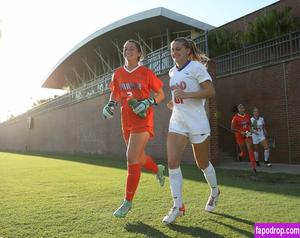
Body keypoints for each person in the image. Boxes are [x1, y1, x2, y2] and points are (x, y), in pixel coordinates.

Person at [102, 39, 165, 218]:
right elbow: (115, 92)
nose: (128, 50)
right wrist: (110, 105)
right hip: (126, 119)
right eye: (125, 48)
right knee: (138, 156)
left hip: (143, 119)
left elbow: (161, 94)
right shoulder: (117, 73)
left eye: (132, 48)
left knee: (131, 157)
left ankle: (127, 202)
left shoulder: (146, 72)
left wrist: (149, 101)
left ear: (139, 53)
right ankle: (156, 168)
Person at [162, 37, 220, 224]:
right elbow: (178, 95)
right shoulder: (172, 72)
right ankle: (178, 206)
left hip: (197, 123)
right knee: (172, 161)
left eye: (178, 49)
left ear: (188, 50)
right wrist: (173, 102)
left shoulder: (196, 67)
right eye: (172, 50)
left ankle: (214, 190)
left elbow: (210, 92)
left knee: (202, 164)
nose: (174, 52)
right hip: (177, 121)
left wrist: (186, 95)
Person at [231, 104, 257, 172]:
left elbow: (250, 125)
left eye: (243, 108)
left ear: (244, 109)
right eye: (240, 108)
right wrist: (240, 132)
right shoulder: (235, 117)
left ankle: (254, 167)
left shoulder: (247, 116)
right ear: (238, 109)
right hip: (239, 135)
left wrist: (253, 131)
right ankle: (241, 154)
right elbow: (232, 128)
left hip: (247, 133)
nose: (242, 109)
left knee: (250, 149)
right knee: (244, 151)